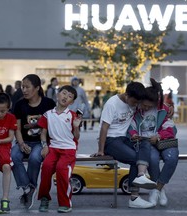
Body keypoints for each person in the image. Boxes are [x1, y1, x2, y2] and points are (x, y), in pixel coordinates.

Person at [91, 81, 156, 209]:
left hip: (124, 138)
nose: (136, 105)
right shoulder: (112, 104)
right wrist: (101, 150)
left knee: (144, 143)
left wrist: (169, 108)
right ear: (126, 95)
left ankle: (141, 176)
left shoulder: (135, 101)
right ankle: (134, 197)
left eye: (138, 103)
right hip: (111, 140)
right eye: (133, 102)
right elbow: (104, 127)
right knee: (135, 158)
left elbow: (151, 101)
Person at [127, 78, 178, 207]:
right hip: (147, 144)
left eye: (149, 106)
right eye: (144, 105)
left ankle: (157, 189)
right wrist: (134, 135)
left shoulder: (163, 110)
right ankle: (159, 189)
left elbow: (172, 129)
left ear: (155, 103)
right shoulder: (136, 110)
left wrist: (159, 135)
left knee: (172, 158)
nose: (146, 108)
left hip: (165, 141)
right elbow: (131, 127)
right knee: (153, 159)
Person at [11, 74, 55, 209]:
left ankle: (29, 190)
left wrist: (45, 145)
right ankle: (28, 188)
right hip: (23, 141)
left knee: (35, 158)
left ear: (36, 88)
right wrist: (21, 144)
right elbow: (17, 128)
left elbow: (51, 126)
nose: (23, 90)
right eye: (22, 87)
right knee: (13, 157)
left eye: (27, 87)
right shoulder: (19, 104)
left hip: (40, 142)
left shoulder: (49, 104)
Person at [37, 85, 81, 213]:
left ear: (71, 102)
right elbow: (43, 133)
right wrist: (44, 146)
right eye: (64, 93)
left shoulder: (73, 115)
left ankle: (65, 203)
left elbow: (77, 137)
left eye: (70, 96)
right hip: (53, 148)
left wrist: (76, 127)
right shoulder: (47, 115)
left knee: (62, 169)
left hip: (68, 149)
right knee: (45, 167)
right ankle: (44, 198)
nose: (66, 97)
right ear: (58, 94)